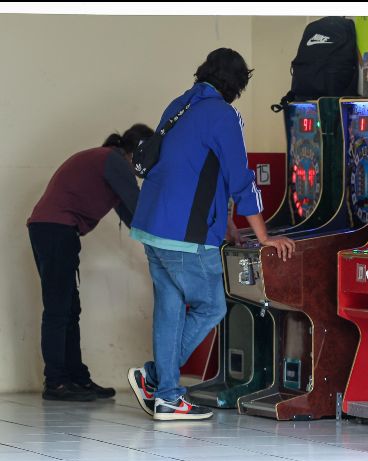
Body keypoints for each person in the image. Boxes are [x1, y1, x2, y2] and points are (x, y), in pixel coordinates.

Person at [127, 48, 295, 421]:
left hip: (152, 226)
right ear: (237, 84)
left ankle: (166, 392)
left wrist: (229, 225)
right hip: (185, 235)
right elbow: (240, 180)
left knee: (170, 308)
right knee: (212, 305)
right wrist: (264, 238)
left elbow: (194, 171)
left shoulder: (179, 104)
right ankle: (159, 382)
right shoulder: (224, 114)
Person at [28, 123, 154, 402]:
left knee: (69, 308)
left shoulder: (107, 160)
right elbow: (140, 208)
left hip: (51, 229)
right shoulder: (114, 160)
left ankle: (77, 379)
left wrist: (155, 247)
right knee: (59, 310)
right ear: (139, 151)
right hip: (55, 230)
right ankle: (56, 383)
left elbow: (132, 218)